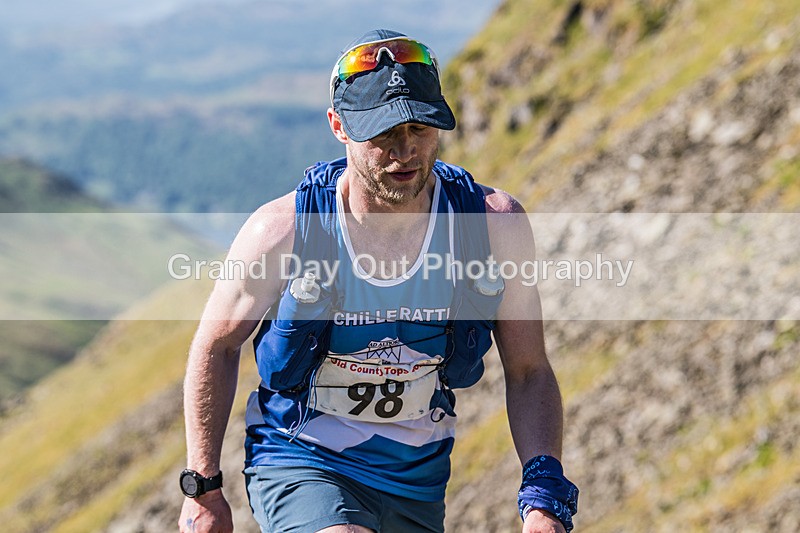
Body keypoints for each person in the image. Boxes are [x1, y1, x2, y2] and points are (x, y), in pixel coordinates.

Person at [179, 29, 578, 533]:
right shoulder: (282, 232)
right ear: (338, 127)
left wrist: (544, 495)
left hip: (419, 483)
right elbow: (215, 346)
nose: (406, 151)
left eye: (421, 128)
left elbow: (529, 371)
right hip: (301, 459)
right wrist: (203, 487)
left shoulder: (491, 225)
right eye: (383, 134)